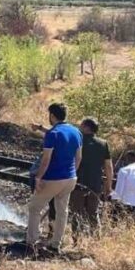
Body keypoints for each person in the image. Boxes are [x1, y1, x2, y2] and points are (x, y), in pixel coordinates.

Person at [26, 103, 82, 253]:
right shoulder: (76, 132)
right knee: (62, 211)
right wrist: (72, 173)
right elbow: (78, 157)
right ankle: (56, 244)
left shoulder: (53, 134)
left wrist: (38, 178)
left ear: (52, 115)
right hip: (70, 178)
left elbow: (46, 160)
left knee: (34, 208)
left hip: (52, 179)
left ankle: (31, 242)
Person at [70, 117, 114, 234]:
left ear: (86, 127)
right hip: (95, 184)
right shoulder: (103, 144)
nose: (79, 127)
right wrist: (108, 186)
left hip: (77, 183)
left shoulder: (77, 141)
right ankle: (95, 238)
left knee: (76, 213)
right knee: (93, 213)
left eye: (81, 125)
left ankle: (76, 240)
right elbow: (108, 167)